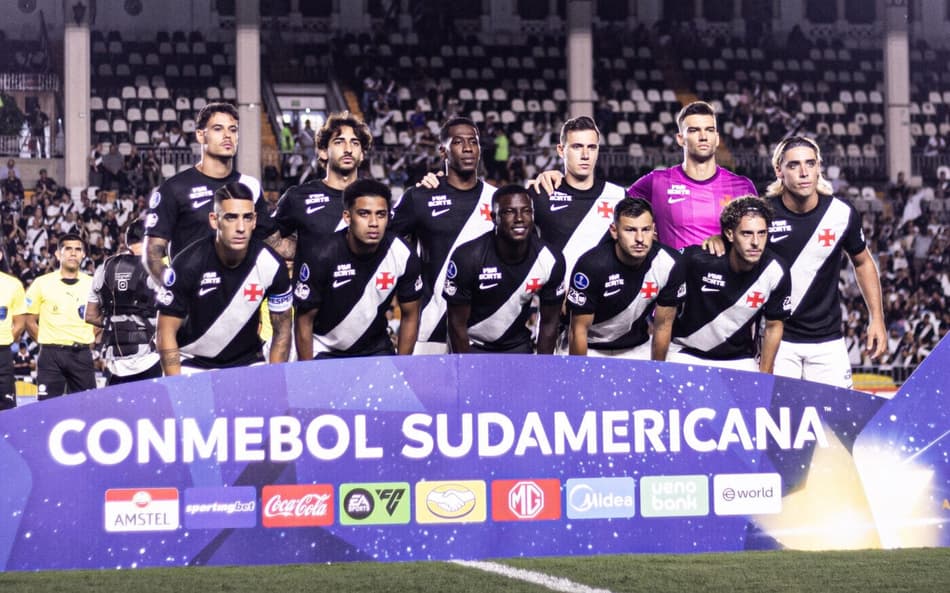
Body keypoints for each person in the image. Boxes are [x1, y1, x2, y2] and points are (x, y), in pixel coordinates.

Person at [532, 101, 756, 249]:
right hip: (675, 300)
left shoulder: (742, 187)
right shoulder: (656, 182)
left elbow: (755, 238)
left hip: (730, 297)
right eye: (694, 130)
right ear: (680, 139)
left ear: (718, 137)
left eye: (710, 130)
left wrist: (725, 241)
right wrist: (557, 177)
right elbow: (611, 206)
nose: (704, 137)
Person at [763, 136, 887, 388]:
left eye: (811, 163)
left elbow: (862, 262)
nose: (804, 172)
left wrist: (877, 318)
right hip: (777, 340)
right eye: (794, 165)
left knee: (839, 426)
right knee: (776, 423)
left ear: (819, 167)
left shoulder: (841, 213)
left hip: (827, 342)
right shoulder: (762, 213)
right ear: (779, 170)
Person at [155, 182, 292, 374]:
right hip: (193, 364)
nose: (241, 227)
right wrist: (176, 385)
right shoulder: (187, 264)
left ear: (255, 221)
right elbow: (165, 332)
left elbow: (282, 331)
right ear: (214, 220)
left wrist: (276, 379)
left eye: (247, 218)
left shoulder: (272, 264)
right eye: (231, 217)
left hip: (249, 363)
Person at [389, 116, 496, 353]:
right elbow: (383, 246)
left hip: (483, 333)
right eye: (457, 142)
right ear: (443, 152)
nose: (468, 148)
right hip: (430, 329)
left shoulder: (497, 200)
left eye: (473, 142)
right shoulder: (420, 197)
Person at [143, 102, 278, 285]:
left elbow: (270, 242)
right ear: (201, 135)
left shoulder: (250, 186)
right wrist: (173, 289)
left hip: (238, 299)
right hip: (191, 302)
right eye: (217, 129)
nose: (227, 135)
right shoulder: (175, 188)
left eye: (233, 129)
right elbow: (152, 255)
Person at [293, 179, 422, 358]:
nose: (373, 223)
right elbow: (304, 321)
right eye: (364, 214)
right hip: (325, 349)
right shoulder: (321, 255)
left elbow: (411, 315)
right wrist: (308, 373)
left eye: (381, 214)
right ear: (347, 217)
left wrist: (402, 365)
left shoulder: (402, 254)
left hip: (376, 349)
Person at [670, 197, 791, 373]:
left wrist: (765, 377)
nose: (756, 242)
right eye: (747, 233)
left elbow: (773, 327)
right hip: (686, 353)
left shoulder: (776, 270)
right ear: (729, 234)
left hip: (740, 359)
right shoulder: (697, 259)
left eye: (762, 233)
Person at [443, 185, 565, 354]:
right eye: (509, 212)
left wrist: (542, 369)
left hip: (518, 346)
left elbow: (549, 323)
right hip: (473, 346)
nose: (519, 218)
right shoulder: (467, 257)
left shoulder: (550, 259)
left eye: (526, 211)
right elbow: (456, 325)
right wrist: (466, 368)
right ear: (494, 218)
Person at [567, 197, 683, 359]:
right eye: (630, 230)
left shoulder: (670, 263)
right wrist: (580, 374)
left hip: (638, 347)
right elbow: (578, 330)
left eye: (646, 229)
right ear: (614, 231)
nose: (640, 239)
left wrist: (657, 371)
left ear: (654, 229)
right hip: (591, 348)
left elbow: (663, 326)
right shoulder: (591, 265)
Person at [530, 116, 627, 281]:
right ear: (561, 150)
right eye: (577, 147)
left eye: (591, 147)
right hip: (554, 301)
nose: (585, 155)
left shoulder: (619, 196)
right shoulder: (542, 193)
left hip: (606, 300)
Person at [268, 111, 372, 261]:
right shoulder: (298, 197)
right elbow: (271, 240)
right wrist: (308, 251)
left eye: (355, 143)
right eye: (339, 142)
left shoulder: (376, 197)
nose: (348, 149)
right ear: (323, 152)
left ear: (362, 154)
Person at [84, 218, 162, 385]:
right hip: (149, 358)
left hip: (115, 363)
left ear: (127, 241)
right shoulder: (157, 269)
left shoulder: (104, 268)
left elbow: (89, 315)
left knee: (118, 412)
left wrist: (115, 322)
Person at [24, 234, 96, 398]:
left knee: (87, 406)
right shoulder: (41, 283)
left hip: (81, 354)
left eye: (78, 249)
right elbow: (29, 321)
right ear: (58, 254)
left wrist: (88, 338)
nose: (73, 253)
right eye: (68, 249)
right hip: (50, 356)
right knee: (46, 408)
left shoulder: (93, 284)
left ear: (83, 254)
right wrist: (47, 342)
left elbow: (100, 319)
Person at [0, 249, 27, 409]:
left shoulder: (13, 284)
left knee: (6, 407)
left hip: (2, 353)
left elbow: (20, 322)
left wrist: (6, 340)